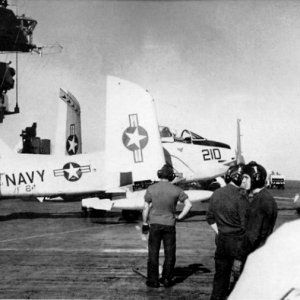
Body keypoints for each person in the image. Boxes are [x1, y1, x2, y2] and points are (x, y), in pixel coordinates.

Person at [142, 164, 192, 288]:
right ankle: (166, 279)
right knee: (170, 253)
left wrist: (144, 223)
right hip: (169, 224)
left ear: (159, 175)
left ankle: (153, 280)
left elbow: (146, 207)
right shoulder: (177, 190)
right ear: (171, 176)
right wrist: (179, 217)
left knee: (153, 253)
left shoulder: (151, 189)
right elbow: (189, 204)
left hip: (154, 224)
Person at [206, 164, 249, 300]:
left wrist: (220, 232)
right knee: (240, 278)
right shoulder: (241, 197)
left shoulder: (217, 193)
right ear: (239, 178)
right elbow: (245, 225)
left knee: (220, 277)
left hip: (222, 240)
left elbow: (210, 218)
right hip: (237, 242)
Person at [242, 161, 278, 254]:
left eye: (246, 177)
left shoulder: (259, 201)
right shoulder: (268, 198)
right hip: (263, 251)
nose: (243, 181)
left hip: (254, 253)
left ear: (256, 178)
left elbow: (252, 236)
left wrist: (239, 259)